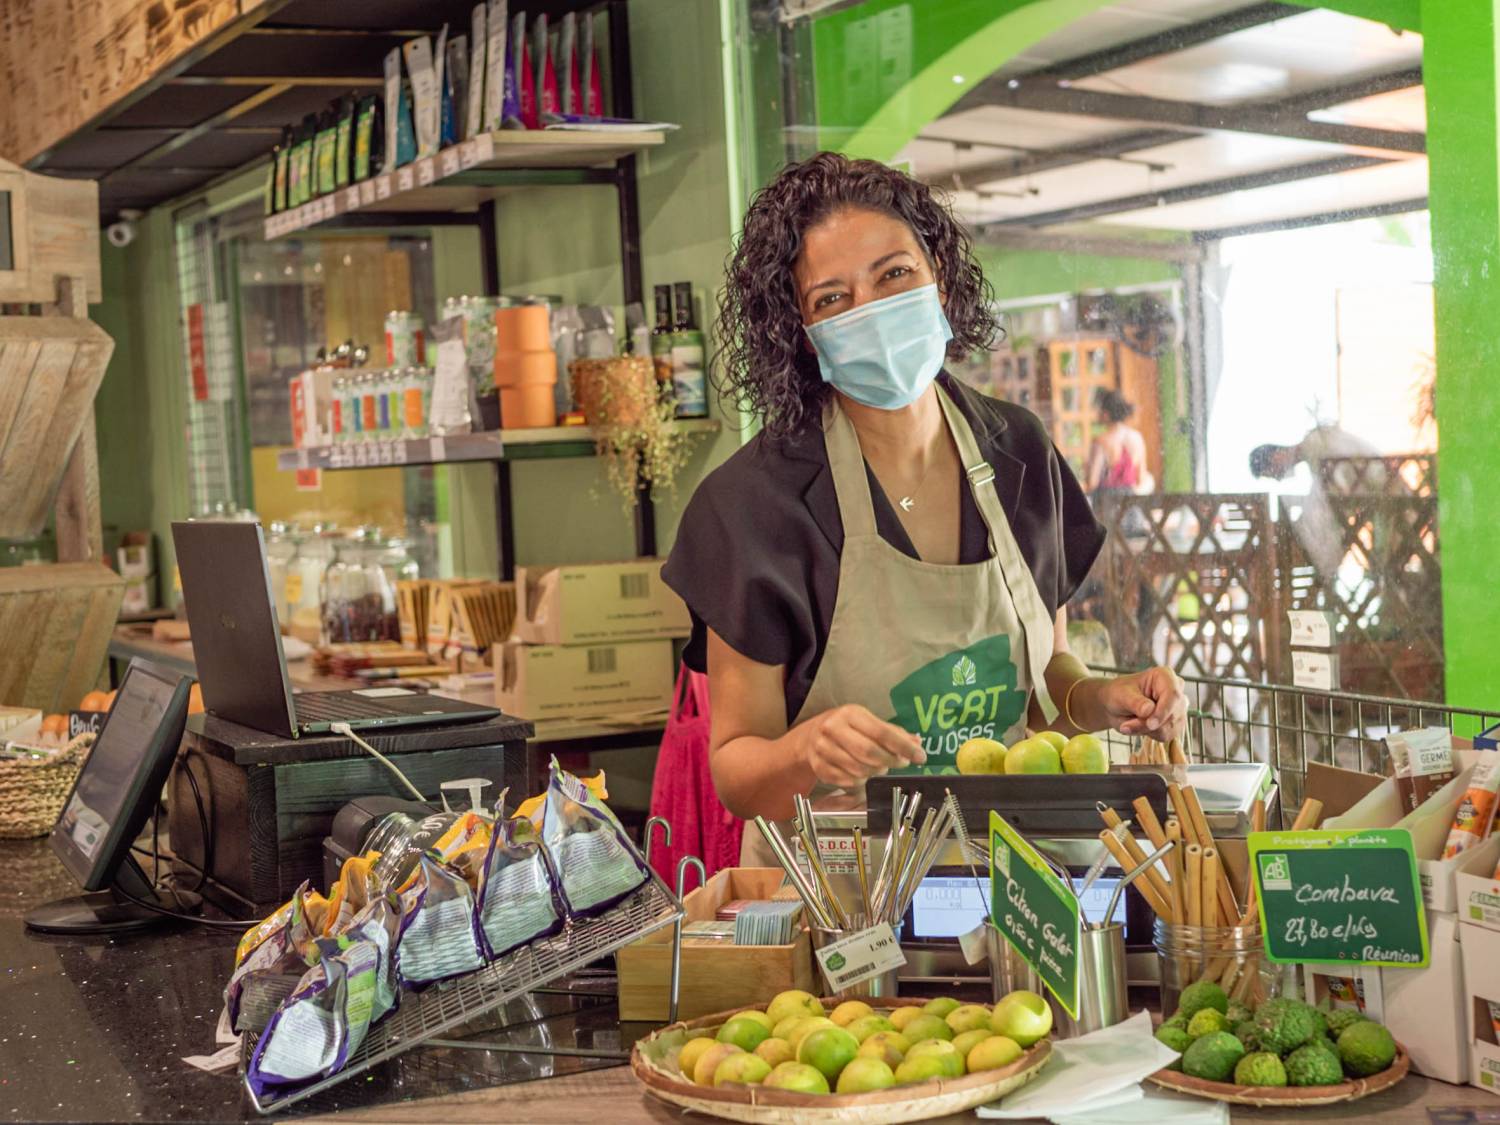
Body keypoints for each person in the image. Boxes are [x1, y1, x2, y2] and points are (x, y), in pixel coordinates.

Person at [661, 153, 1187, 864]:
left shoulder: (1019, 453)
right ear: (799, 331)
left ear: (938, 271)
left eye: (893, 275)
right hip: (843, 901)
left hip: (1013, 874)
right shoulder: (752, 507)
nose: (872, 310)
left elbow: (1045, 676)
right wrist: (805, 752)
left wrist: (1100, 697)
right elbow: (736, 772)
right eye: (832, 299)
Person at [1249, 424, 1384, 580]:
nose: (1279, 478)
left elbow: (1336, 493)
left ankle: (1320, 569)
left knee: (1315, 525)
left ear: (1276, 457)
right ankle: (1320, 568)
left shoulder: (1316, 445)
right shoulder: (1315, 445)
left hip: (1377, 483)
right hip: (1378, 482)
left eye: (1274, 472)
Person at [1085, 389, 1151, 495]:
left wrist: (1087, 468)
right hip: (1130, 504)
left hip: (1106, 504)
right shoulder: (1137, 438)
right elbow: (1140, 480)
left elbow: (1092, 482)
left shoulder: (1101, 441)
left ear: (1105, 414)